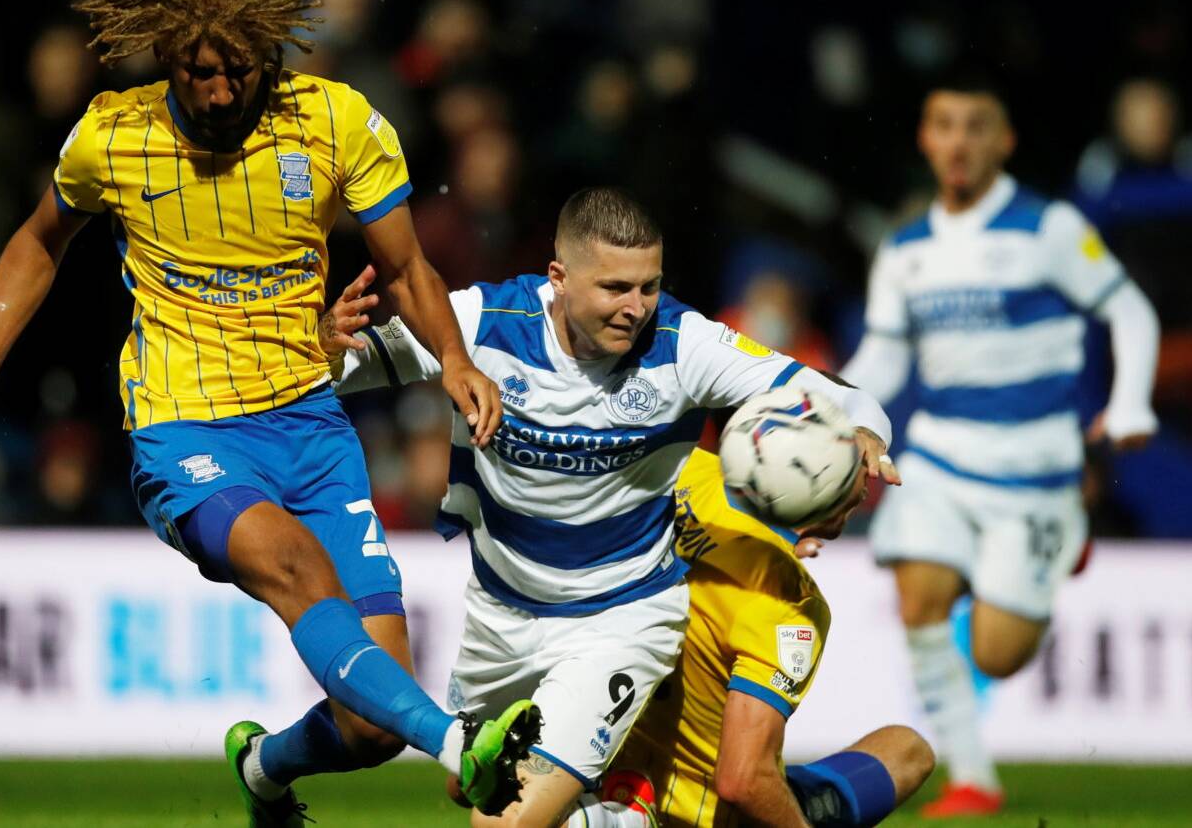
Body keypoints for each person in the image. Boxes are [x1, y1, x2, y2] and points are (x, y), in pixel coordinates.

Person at [0, 0, 539, 824]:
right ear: (166, 57)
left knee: (370, 725)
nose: (217, 90)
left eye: (238, 70)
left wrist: (456, 361)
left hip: (312, 430)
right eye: (197, 71)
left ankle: (264, 768)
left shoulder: (335, 123)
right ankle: (458, 743)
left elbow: (405, 268)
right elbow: (37, 243)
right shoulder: (115, 135)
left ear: (269, 55)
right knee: (298, 566)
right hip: (185, 430)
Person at [327, 186, 900, 828]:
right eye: (615, 288)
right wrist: (325, 342)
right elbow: (336, 372)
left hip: (621, 616)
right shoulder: (481, 322)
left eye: (648, 287)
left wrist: (865, 434)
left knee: (512, 822)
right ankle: (626, 817)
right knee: (473, 794)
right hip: (501, 614)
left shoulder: (684, 345)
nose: (636, 308)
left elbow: (846, 398)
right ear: (559, 278)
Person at [841, 74, 1161, 817]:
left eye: (975, 125)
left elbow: (1131, 311)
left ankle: (1067, 533)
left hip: (1036, 470)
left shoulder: (1048, 228)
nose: (958, 141)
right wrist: (825, 398)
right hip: (941, 457)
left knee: (997, 653)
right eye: (944, 125)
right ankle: (973, 779)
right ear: (925, 139)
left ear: (1004, 140)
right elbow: (884, 358)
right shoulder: (904, 248)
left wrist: (1130, 402)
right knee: (919, 598)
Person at [568, 447, 934, 828]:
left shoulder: (691, 470)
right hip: (699, 813)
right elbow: (743, 780)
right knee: (905, 751)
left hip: (588, 756)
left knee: (910, 748)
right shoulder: (788, 602)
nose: (868, 476)